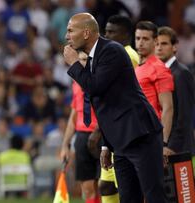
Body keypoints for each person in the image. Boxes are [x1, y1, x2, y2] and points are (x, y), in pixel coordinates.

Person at [61, 13, 167, 203]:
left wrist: (75, 64)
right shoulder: (95, 57)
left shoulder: (112, 51)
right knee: (127, 198)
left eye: (70, 30)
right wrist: (106, 145)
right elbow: (105, 105)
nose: (67, 36)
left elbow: (95, 88)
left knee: (154, 196)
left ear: (86, 33)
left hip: (140, 135)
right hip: (120, 141)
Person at [89, 14, 140, 203]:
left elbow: (121, 96)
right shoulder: (114, 53)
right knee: (106, 185)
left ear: (126, 35)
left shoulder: (127, 56)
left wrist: (98, 129)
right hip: (113, 127)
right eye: (106, 31)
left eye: (112, 32)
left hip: (124, 127)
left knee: (125, 185)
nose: (107, 35)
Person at [61, 51, 100, 203]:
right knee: (87, 188)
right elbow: (73, 115)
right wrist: (65, 145)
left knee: (105, 186)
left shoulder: (100, 81)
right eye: (81, 60)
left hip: (101, 136)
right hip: (82, 137)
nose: (84, 63)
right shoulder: (76, 83)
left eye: (87, 60)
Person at [134, 21, 175, 162]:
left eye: (145, 39)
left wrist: (163, 143)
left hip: (151, 137)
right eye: (138, 38)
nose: (140, 43)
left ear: (155, 41)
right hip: (136, 135)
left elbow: (168, 108)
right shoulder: (137, 68)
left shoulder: (159, 69)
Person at [155, 26, 195, 155]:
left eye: (164, 43)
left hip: (178, 150)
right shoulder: (158, 74)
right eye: (156, 44)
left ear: (175, 47)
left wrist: (171, 146)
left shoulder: (181, 73)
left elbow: (184, 115)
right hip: (162, 147)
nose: (159, 48)